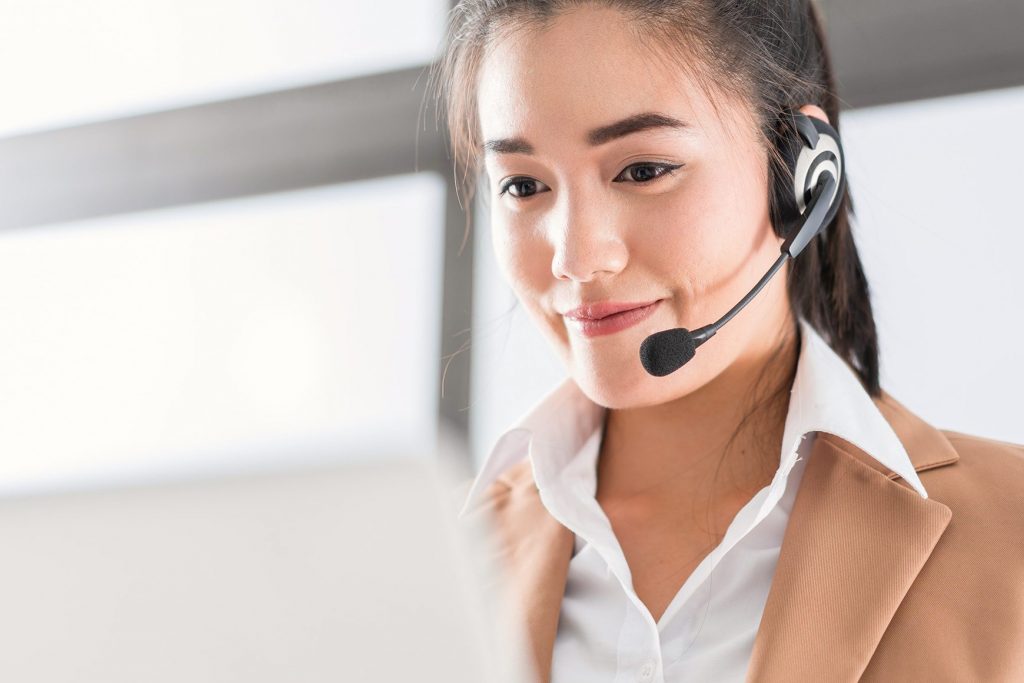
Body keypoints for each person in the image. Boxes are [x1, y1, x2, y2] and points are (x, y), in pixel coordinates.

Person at [427, 1, 1024, 682]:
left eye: (643, 169)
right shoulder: (446, 564)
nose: (576, 256)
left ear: (801, 176)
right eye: (524, 185)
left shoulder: (1011, 539)